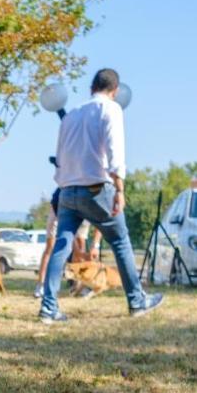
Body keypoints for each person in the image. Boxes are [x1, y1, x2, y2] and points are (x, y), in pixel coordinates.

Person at [38, 68, 163, 324]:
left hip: (67, 191)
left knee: (61, 246)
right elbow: (116, 151)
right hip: (96, 189)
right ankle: (137, 301)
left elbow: (60, 156)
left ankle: (48, 308)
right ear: (115, 91)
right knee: (120, 241)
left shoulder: (71, 115)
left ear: (91, 88)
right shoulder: (111, 109)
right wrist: (119, 188)